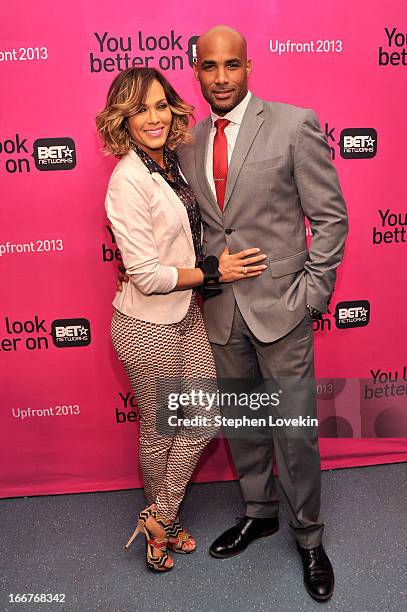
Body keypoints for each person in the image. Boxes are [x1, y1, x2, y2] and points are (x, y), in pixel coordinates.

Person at [120, 25, 348, 599]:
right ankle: (258, 510)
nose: (221, 78)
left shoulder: (295, 124)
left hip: (283, 308)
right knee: (246, 425)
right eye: (209, 68)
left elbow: (331, 218)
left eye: (231, 66)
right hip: (220, 312)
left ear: (249, 68)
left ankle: (310, 537)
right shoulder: (187, 143)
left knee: (293, 432)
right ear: (196, 74)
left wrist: (312, 297)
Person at [96, 67, 267, 573]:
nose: (152, 117)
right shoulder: (126, 180)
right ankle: (162, 525)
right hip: (145, 325)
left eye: (159, 105)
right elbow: (147, 275)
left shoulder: (170, 161)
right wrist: (216, 269)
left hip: (184, 313)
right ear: (121, 119)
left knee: (201, 415)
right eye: (138, 109)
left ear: (171, 107)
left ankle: (159, 518)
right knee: (160, 428)